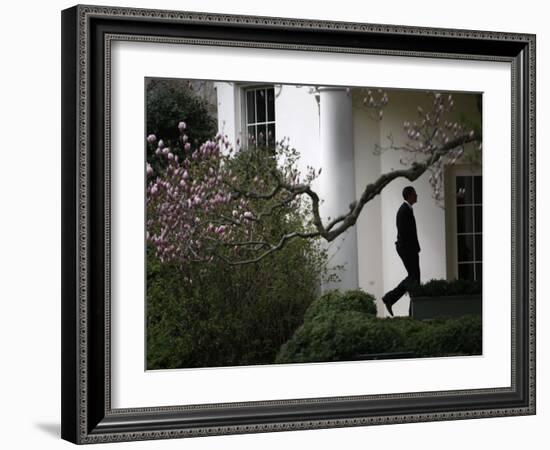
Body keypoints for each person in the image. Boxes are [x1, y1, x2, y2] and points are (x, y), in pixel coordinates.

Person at [382, 186, 421, 317]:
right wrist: (412, 250)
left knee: (415, 279)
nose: (417, 195)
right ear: (409, 195)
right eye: (415, 194)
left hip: (409, 249)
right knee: (413, 278)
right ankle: (390, 298)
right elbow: (404, 233)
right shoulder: (404, 211)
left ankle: (412, 312)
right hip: (407, 249)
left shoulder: (407, 210)